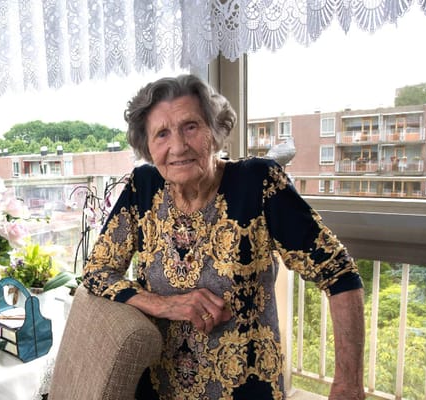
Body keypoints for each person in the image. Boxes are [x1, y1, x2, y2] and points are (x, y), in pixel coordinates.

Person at [82, 74, 365, 399]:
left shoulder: (258, 183)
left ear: (215, 133)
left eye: (190, 126)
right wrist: (165, 305)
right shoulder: (141, 188)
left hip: (245, 388)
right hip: (159, 388)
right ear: (147, 146)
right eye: (161, 134)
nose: (178, 146)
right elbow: (96, 272)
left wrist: (348, 382)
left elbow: (339, 273)